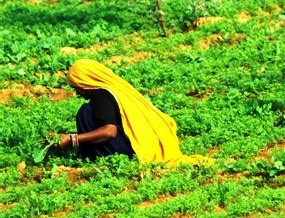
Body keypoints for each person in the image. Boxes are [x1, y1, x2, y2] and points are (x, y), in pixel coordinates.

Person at [60, 59, 210, 166]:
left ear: (85, 82)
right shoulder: (116, 90)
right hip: (135, 144)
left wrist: (73, 139)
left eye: (76, 87)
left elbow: (109, 131)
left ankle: (96, 157)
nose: (77, 92)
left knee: (84, 111)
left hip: (124, 151)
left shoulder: (100, 95)